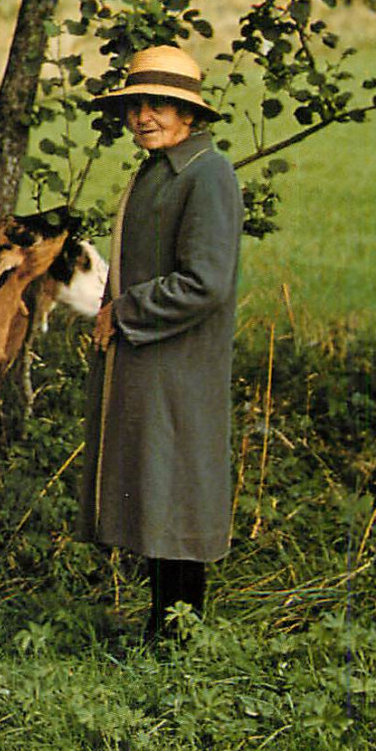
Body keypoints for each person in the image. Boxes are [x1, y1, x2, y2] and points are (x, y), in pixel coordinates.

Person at [77, 44, 243, 643]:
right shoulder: (159, 170)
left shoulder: (208, 174)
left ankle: (179, 635)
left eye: (161, 105)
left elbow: (207, 282)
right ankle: (163, 626)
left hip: (180, 362)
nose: (145, 116)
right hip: (151, 359)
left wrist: (125, 311)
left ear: (191, 115)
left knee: (178, 490)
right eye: (137, 105)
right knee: (157, 487)